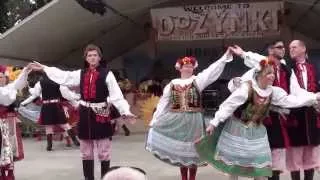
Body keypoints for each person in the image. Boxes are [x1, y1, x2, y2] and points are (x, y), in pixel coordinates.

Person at [199, 57, 320, 180]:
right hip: (238, 128)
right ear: (259, 74)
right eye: (269, 73)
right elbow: (229, 105)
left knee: (260, 166)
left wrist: (313, 98)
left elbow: (290, 100)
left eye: (273, 73)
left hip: (257, 131)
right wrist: (214, 123)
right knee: (234, 164)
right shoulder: (247, 88)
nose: (273, 76)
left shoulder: (274, 92)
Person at [29, 44, 136, 180]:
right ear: (85, 58)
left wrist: (125, 111)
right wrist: (44, 68)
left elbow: (117, 96)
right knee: (86, 151)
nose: (92, 58)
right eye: (89, 55)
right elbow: (64, 76)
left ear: (99, 57)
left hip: (101, 112)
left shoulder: (107, 74)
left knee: (104, 150)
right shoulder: (80, 73)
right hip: (85, 113)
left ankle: (105, 178)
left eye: (95, 55)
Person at [227, 41, 316, 180]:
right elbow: (239, 84)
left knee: (275, 162)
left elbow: (296, 92)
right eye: (279, 47)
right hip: (258, 118)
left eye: (283, 47)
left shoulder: (287, 70)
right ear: (270, 50)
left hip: (277, 120)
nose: (283, 50)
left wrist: (314, 97)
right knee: (252, 159)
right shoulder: (261, 66)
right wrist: (235, 81)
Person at [146, 49, 233, 180]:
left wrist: (224, 58)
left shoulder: (197, 81)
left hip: (194, 120)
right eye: (186, 66)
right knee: (181, 151)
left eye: (191, 66)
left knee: (193, 151)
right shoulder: (172, 84)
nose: (189, 68)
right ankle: (183, 178)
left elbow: (211, 71)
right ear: (179, 68)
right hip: (176, 119)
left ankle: (192, 178)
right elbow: (163, 104)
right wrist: (155, 120)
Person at [285, 40, 320, 180]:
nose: (291, 49)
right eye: (289, 48)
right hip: (295, 116)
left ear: (303, 48)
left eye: (294, 47)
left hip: (313, 116)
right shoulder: (287, 68)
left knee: (310, 154)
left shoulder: (316, 67)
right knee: (295, 155)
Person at [20, 73, 80, 151]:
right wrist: (76, 102)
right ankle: (75, 141)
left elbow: (35, 94)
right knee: (64, 124)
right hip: (56, 105)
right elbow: (66, 95)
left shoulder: (40, 83)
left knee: (49, 126)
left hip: (47, 106)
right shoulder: (59, 82)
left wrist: (24, 101)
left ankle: (49, 146)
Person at [0, 64, 31, 180]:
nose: (1, 79)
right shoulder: (7, 90)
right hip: (3, 122)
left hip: (9, 122)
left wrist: (26, 70)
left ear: (6, 77)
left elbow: (19, 82)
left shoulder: (9, 88)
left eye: (2, 76)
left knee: (9, 147)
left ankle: (8, 173)